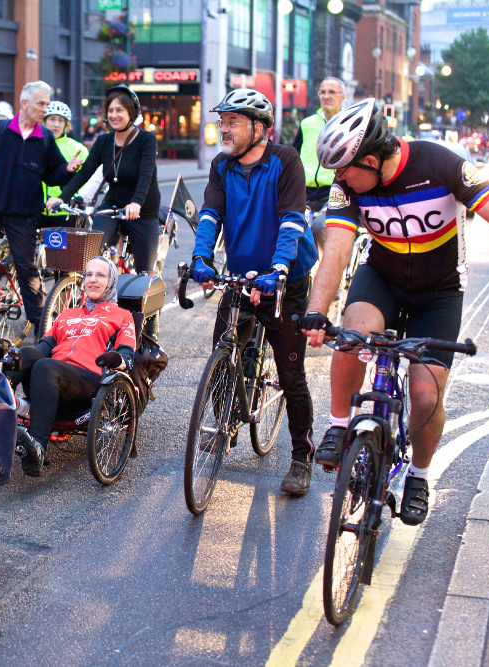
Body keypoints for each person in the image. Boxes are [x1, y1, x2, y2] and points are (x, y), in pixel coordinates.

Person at [300, 98, 489, 525]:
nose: (338, 179)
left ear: (371, 160)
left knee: (425, 393)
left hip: (439, 292)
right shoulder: (350, 187)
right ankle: (340, 425)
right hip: (383, 279)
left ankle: (418, 476)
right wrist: (317, 312)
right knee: (351, 337)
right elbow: (336, 251)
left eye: (344, 169)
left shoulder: (443, 165)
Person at [191, 88, 318, 496]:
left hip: (284, 278)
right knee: (221, 353)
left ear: (259, 129)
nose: (223, 129)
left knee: (289, 370)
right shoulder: (221, 166)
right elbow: (211, 213)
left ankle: (302, 456)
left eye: (233, 122)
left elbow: (292, 220)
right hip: (242, 275)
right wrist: (201, 258)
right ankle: (222, 422)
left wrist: (278, 268)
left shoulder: (285, 161)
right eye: (222, 121)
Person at [0, 81, 84, 336]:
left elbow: (52, 174)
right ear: (24, 103)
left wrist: (67, 169)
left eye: (47, 103)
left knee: (26, 269)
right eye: (41, 104)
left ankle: (40, 328)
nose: (45, 109)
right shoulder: (1, 131)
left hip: (23, 213)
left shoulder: (44, 137)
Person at [9, 256, 136, 476]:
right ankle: (0, 401)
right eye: (89, 275)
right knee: (24, 353)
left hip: (88, 384)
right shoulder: (68, 314)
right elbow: (42, 350)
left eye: (101, 275)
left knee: (45, 367)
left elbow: (127, 355)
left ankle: (38, 448)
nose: (93, 280)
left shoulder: (122, 316)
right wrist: (15, 359)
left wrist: (116, 360)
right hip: (47, 381)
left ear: (112, 281)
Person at [47, 85, 161, 273]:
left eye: (119, 110)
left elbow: (146, 176)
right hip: (112, 206)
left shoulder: (146, 139)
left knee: (144, 273)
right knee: (91, 253)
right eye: (110, 111)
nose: (114, 115)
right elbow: (84, 173)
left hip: (142, 210)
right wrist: (62, 198)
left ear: (131, 113)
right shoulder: (103, 142)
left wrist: (136, 203)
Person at [291, 77, 347, 251]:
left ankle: (326, 275)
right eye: (322, 92)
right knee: (291, 230)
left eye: (331, 92)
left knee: (318, 228)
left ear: (342, 97)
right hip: (305, 193)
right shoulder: (307, 124)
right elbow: (293, 156)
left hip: (334, 192)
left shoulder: (348, 124)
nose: (326, 96)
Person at [39, 101, 90, 227]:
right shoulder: (35, 144)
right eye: (52, 119)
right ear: (44, 121)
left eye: (61, 120)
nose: (56, 124)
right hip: (36, 210)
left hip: (63, 211)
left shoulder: (77, 148)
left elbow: (87, 177)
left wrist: (77, 197)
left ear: (66, 124)